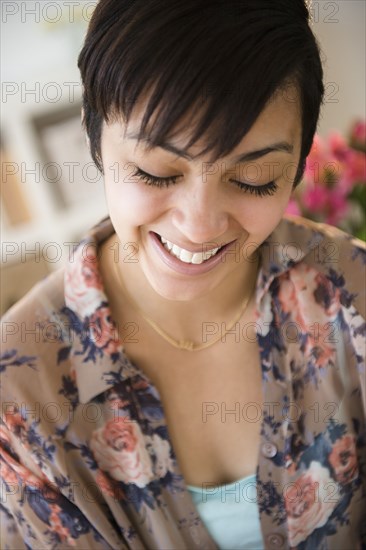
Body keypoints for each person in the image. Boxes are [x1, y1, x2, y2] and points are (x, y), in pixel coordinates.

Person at [1, 0, 365, 548]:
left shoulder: (352, 294)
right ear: (92, 133)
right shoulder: (19, 390)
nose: (199, 225)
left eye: (255, 178)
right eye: (155, 171)